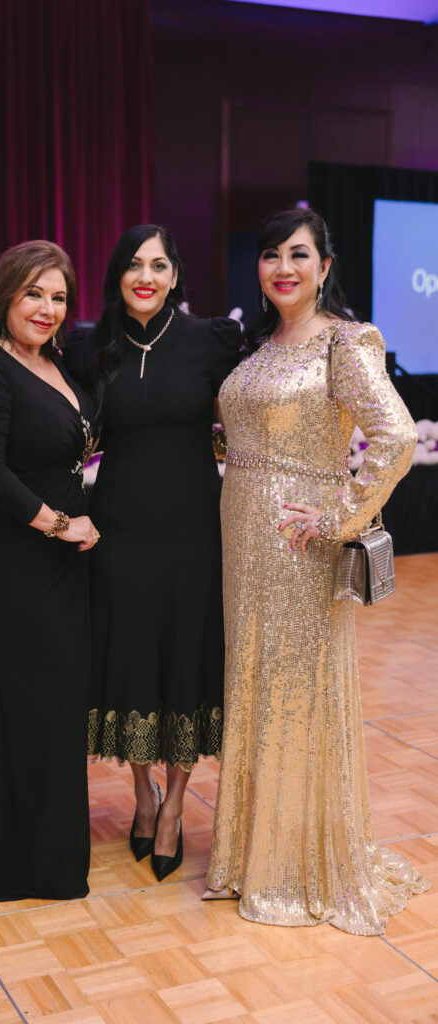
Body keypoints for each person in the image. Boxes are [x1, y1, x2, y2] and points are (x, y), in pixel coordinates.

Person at [204, 207, 429, 934]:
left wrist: (341, 518)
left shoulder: (343, 342)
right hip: (241, 537)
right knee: (253, 684)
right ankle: (247, 856)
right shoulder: (261, 344)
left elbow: (394, 437)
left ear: (325, 266)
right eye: (270, 255)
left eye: (298, 255)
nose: (282, 268)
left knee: (294, 694)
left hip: (298, 546)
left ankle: (292, 865)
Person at [64, 225, 242, 881]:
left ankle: (175, 809)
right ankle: (142, 795)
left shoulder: (209, 341)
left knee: (185, 658)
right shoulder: (90, 346)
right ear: (116, 273)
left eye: (159, 265)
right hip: (118, 532)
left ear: (174, 277)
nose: (146, 276)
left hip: (194, 530)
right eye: (135, 264)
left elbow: (253, 412)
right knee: (131, 656)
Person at [0, 240, 97, 903]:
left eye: (58, 296)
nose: (46, 307)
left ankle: (56, 856)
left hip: (60, 564)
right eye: (33, 293)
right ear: (5, 293)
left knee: (58, 704)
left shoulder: (57, 363)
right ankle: (12, 866)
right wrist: (60, 523)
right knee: (24, 703)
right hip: (12, 561)